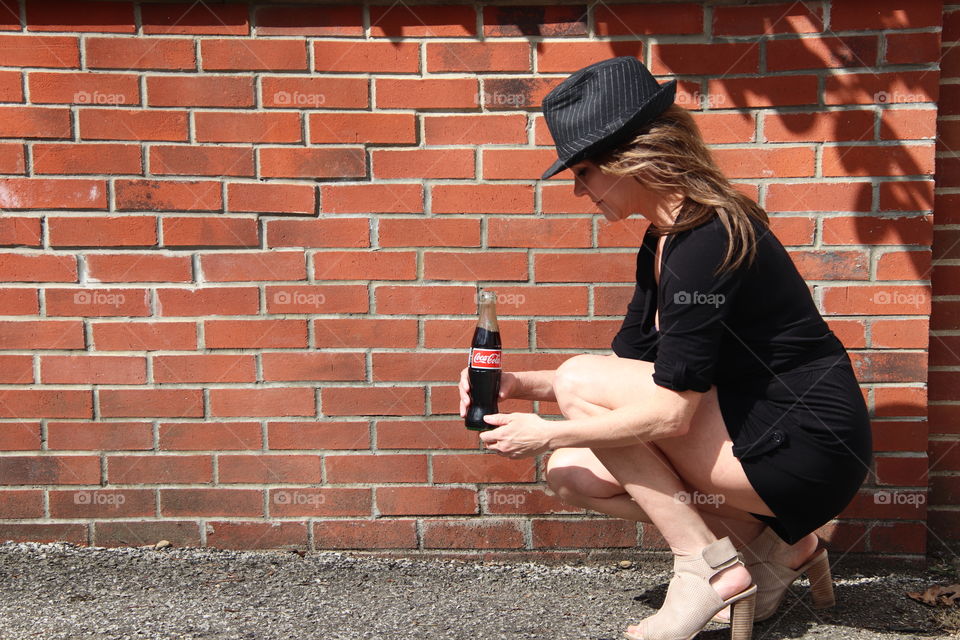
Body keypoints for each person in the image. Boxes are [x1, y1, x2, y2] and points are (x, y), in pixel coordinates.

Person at [457, 56, 872, 640]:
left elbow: (671, 414)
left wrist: (546, 429)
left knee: (577, 392)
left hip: (805, 445)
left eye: (583, 172)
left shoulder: (707, 239)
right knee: (572, 473)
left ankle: (703, 568)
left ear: (631, 162)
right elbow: (634, 371)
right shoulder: (664, 238)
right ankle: (782, 547)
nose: (578, 192)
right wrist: (518, 385)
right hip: (753, 431)